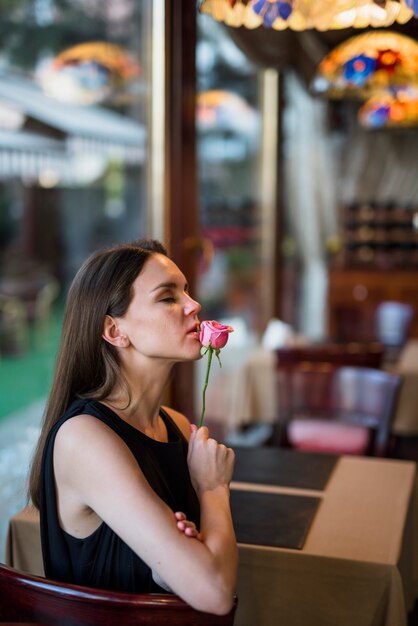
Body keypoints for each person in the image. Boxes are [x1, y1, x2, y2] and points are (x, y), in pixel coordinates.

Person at [28, 239, 237, 615]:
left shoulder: (173, 424)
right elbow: (216, 592)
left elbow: (203, 566)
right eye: (168, 297)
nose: (194, 305)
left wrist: (184, 559)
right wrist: (214, 488)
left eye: (186, 291)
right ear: (114, 330)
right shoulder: (84, 439)